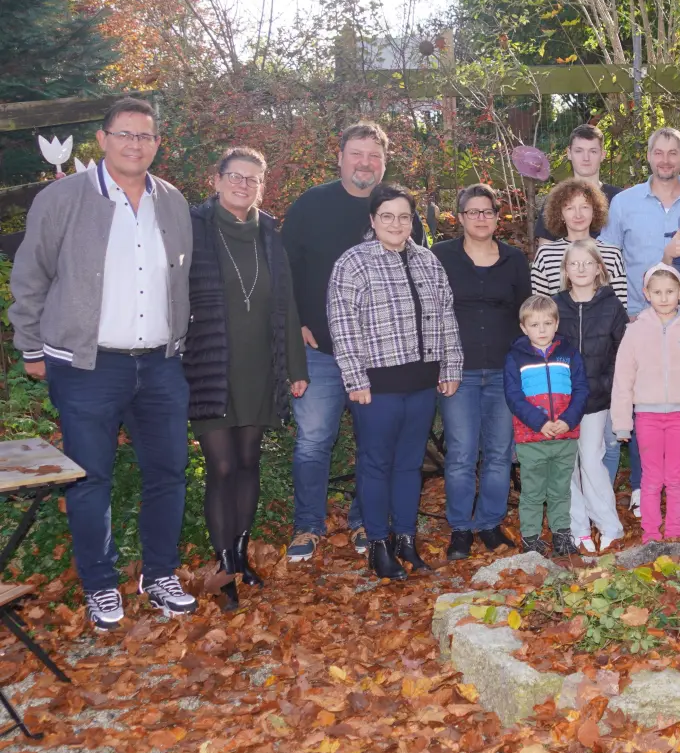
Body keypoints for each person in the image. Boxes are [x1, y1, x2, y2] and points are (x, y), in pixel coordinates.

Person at [10, 97, 198, 629]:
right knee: (90, 478)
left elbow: (179, 280)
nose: (134, 145)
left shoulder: (172, 201)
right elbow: (31, 276)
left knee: (169, 473)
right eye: (124, 134)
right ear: (103, 139)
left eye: (145, 136)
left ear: (157, 144)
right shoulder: (63, 198)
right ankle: (100, 585)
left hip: (160, 364)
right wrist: (32, 348)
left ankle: (160, 573)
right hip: (88, 366)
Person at [282, 121, 426, 563]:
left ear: (385, 161)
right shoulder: (311, 205)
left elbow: (416, 281)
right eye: (357, 154)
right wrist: (297, 324)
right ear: (340, 156)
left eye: (374, 156)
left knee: (374, 443)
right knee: (313, 439)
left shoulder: (400, 211)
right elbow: (282, 272)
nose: (365, 163)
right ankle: (308, 525)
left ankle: (367, 521)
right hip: (321, 350)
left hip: (382, 356)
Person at [184, 147, 309, 611]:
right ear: (216, 180)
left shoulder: (270, 233)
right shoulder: (194, 227)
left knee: (248, 460)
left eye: (252, 179)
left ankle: (239, 552)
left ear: (263, 185)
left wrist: (295, 367)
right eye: (234, 177)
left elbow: (289, 302)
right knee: (220, 466)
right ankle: (224, 568)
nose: (243, 185)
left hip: (261, 363)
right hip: (210, 361)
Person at [326, 184, 462, 580]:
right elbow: (343, 324)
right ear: (373, 220)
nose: (396, 224)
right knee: (375, 465)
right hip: (376, 386)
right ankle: (379, 544)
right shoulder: (353, 263)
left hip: (422, 382)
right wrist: (354, 377)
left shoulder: (427, 261)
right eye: (387, 216)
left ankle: (406, 539)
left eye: (404, 216)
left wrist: (450, 367)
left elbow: (446, 317)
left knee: (409, 466)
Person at [600, 128, 680, 516]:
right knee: (640, 402)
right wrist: (617, 313)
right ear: (647, 156)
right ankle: (639, 486)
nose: (665, 160)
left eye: (673, 153)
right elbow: (609, 259)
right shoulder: (625, 203)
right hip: (635, 317)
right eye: (658, 153)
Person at [433, 184, 531, 560]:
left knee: (499, 452)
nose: (480, 218)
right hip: (458, 371)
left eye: (487, 211)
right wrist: (438, 363)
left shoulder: (514, 260)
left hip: (505, 370)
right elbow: (431, 313)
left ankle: (489, 523)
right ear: (460, 218)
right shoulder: (440, 257)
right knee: (460, 452)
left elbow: (526, 314)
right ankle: (460, 529)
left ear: (496, 216)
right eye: (472, 212)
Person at [612, 265, 680, 544]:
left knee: (676, 477)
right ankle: (650, 535)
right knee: (651, 478)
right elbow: (623, 379)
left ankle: (674, 532)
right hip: (646, 415)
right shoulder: (635, 331)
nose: (664, 297)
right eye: (657, 292)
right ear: (646, 294)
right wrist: (622, 422)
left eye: (670, 291)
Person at [554, 240, 628, 553]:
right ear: (566, 271)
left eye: (588, 263)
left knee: (592, 460)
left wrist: (610, 387)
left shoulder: (612, 306)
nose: (581, 269)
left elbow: (623, 352)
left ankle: (609, 526)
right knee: (566, 464)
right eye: (575, 264)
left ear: (599, 268)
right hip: (561, 401)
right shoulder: (555, 305)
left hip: (597, 400)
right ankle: (578, 528)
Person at [504, 294, 589, 558]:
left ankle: (561, 535)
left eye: (547, 323)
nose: (541, 330)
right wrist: (540, 423)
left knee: (561, 489)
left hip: (565, 435)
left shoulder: (569, 354)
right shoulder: (516, 358)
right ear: (523, 327)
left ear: (556, 323)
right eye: (534, 324)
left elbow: (581, 389)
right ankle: (531, 539)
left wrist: (568, 420)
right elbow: (513, 396)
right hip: (531, 438)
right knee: (532, 491)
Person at [530, 178, 629, 305]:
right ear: (560, 214)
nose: (578, 215)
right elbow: (539, 309)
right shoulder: (545, 255)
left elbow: (620, 309)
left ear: (595, 211)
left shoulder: (612, 254)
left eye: (585, 207)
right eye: (570, 208)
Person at [534, 124, 623, 248]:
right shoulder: (557, 198)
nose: (586, 158)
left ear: (603, 155)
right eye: (579, 151)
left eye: (593, 151)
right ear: (569, 153)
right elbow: (545, 249)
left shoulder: (620, 199)